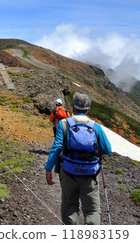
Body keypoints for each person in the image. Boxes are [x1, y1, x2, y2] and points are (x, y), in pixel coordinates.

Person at [45, 92, 111, 225]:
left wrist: (48, 168)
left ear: (73, 108)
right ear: (88, 109)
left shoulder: (64, 124)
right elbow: (107, 149)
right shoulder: (95, 126)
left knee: (69, 204)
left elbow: (57, 147)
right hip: (90, 174)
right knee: (92, 209)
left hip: (68, 172)